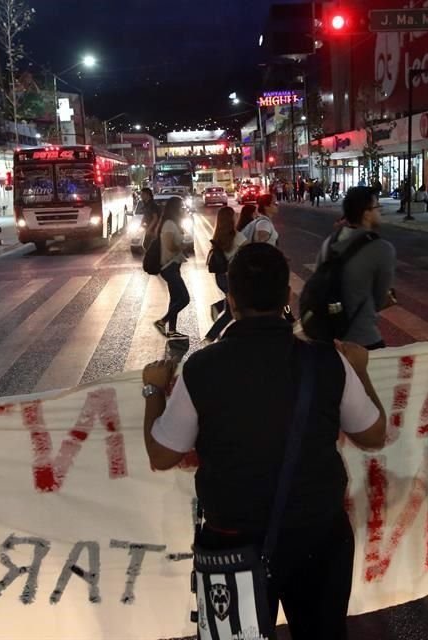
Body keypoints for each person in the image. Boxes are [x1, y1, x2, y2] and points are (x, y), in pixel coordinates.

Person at [142, 242, 387, 638]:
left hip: (231, 543)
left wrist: (153, 391)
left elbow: (162, 455)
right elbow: (374, 436)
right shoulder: (328, 361)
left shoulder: (202, 369)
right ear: (286, 297)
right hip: (320, 540)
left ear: (231, 300)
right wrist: (359, 370)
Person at [316, 186, 396, 350]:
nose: (380, 210)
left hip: (329, 339)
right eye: (377, 207)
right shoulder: (381, 248)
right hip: (363, 338)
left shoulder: (329, 243)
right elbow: (379, 301)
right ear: (366, 213)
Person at [204, 206, 246, 342]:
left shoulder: (217, 236)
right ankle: (211, 338)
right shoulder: (238, 237)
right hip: (233, 278)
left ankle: (212, 334)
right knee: (234, 310)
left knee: (231, 309)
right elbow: (249, 252)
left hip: (221, 277)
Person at [152, 197, 191, 339]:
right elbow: (169, 245)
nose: (182, 209)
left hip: (173, 266)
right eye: (181, 207)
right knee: (185, 298)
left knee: (175, 299)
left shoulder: (173, 223)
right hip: (169, 267)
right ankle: (162, 322)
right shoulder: (169, 224)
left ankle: (172, 330)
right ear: (175, 208)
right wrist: (182, 246)